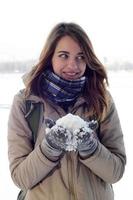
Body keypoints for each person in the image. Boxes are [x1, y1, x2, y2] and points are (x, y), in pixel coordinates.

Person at [8, 22, 126, 200]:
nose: (73, 65)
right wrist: (50, 147)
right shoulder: (26, 103)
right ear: (50, 57)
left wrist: (90, 148)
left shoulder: (102, 100)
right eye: (64, 56)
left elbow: (115, 172)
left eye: (81, 56)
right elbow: (21, 177)